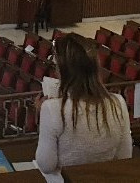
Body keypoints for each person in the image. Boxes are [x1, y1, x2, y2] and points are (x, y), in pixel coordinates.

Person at [35, 35, 132, 183]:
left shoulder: (52, 109)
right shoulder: (117, 103)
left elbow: (46, 165)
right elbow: (125, 156)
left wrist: (42, 115)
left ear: (63, 70)